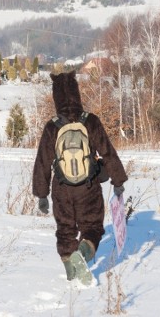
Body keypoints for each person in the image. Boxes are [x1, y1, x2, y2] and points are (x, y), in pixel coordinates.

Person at [32, 71, 128, 285]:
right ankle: (83, 254)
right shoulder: (90, 121)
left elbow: (42, 161)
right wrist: (118, 180)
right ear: (77, 94)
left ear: (56, 96)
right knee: (93, 226)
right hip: (89, 187)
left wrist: (41, 194)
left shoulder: (52, 126)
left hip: (61, 188)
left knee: (65, 228)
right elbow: (107, 152)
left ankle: (69, 268)